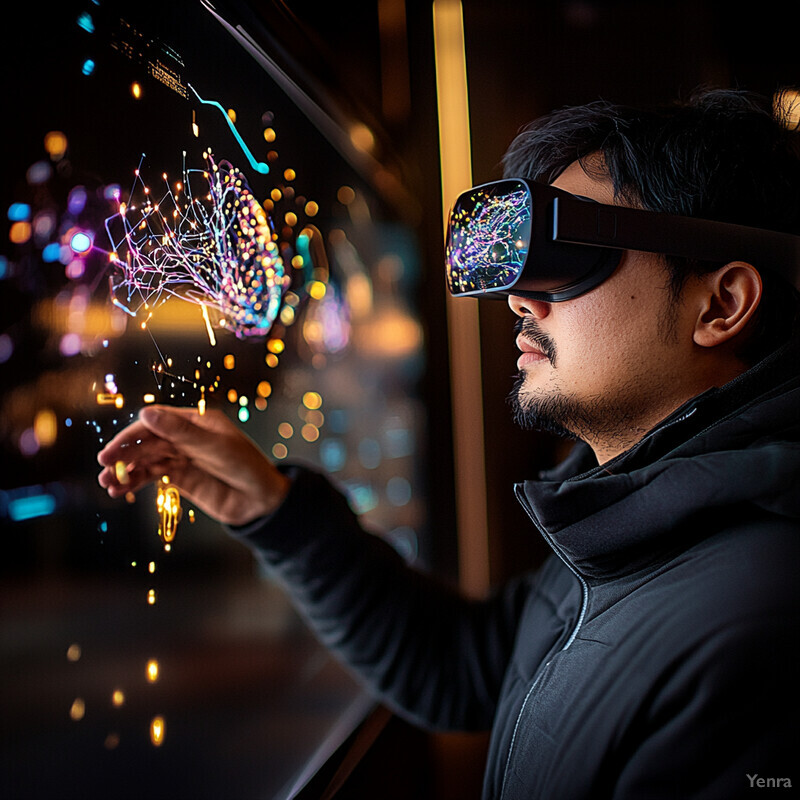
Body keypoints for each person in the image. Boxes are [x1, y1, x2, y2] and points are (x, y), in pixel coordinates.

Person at [98, 88, 800, 798]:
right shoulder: (623, 514)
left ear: (722, 304)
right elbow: (469, 671)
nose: (521, 298)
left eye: (570, 251)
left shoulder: (761, 626)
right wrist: (276, 510)